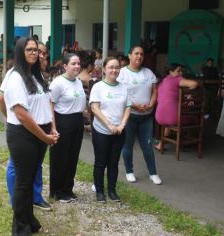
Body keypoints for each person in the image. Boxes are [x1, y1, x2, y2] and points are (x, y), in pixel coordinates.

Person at [0, 37, 58, 235]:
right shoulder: (15, 77)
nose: (34, 53)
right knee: (23, 183)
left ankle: (29, 219)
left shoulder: (35, 76)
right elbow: (22, 115)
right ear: (20, 52)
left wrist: (52, 128)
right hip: (24, 136)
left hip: (39, 134)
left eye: (36, 50)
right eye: (29, 50)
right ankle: (20, 228)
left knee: (30, 179)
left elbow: (44, 105)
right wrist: (45, 137)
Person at [116, 45, 162, 185]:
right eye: (136, 53)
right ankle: (129, 171)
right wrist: (134, 105)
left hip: (146, 116)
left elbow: (154, 91)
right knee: (128, 145)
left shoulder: (148, 73)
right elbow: (120, 94)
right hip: (129, 115)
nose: (139, 56)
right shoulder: (122, 73)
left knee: (147, 145)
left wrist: (152, 103)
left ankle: (153, 173)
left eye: (141, 54)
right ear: (129, 55)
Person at [90, 57, 131, 202]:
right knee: (100, 162)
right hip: (101, 131)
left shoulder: (124, 87)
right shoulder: (98, 87)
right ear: (104, 69)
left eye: (117, 67)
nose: (114, 70)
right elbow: (94, 108)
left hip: (119, 132)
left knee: (114, 162)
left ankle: (112, 190)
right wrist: (109, 125)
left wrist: (122, 125)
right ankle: (99, 191)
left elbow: (128, 107)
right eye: (111, 67)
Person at [49, 53, 86, 203]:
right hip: (62, 121)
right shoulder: (58, 83)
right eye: (73, 63)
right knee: (60, 158)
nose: (77, 66)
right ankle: (57, 191)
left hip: (77, 121)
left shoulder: (77, 81)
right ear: (65, 66)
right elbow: (50, 104)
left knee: (72, 157)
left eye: (78, 63)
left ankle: (68, 189)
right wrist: (53, 127)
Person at [155, 63, 198, 150]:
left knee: (169, 123)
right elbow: (194, 84)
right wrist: (188, 94)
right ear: (171, 72)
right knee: (194, 118)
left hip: (159, 117)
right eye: (178, 71)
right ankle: (186, 142)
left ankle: (160, 145)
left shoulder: (162, 81)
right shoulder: (177, 79)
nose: (181, 73)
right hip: (173, 118)